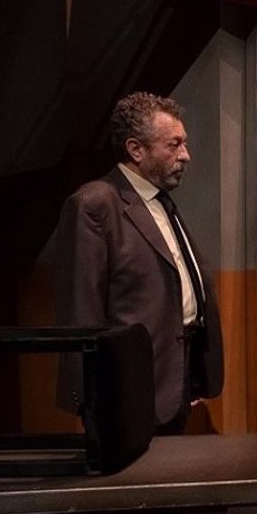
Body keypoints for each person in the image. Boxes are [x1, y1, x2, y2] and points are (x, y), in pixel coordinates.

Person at [55, 91, 223, 434]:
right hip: (127, 391)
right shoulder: (94, 204)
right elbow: (81, 310)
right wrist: (93, 398)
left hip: (173, 380)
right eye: (174, 145)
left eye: (184, 144)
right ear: (136, 149)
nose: (186, 155)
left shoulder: (161, 201)